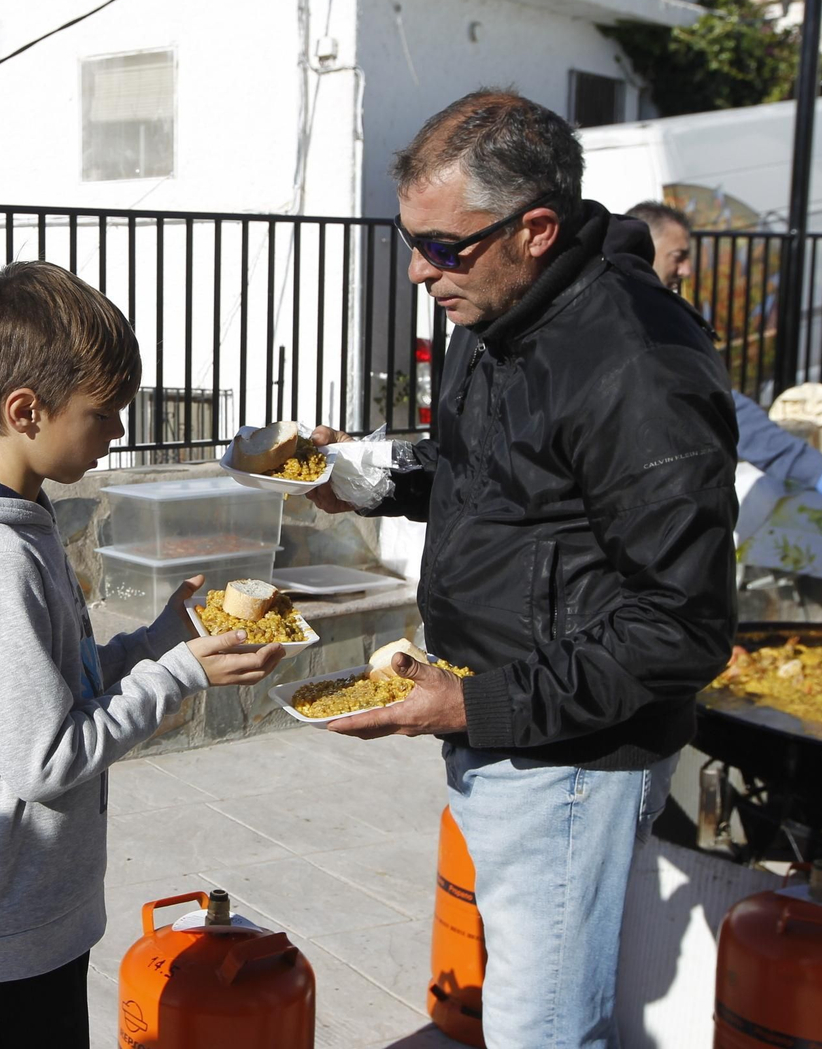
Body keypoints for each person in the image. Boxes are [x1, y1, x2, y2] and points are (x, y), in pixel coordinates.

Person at [309, 91, 737, 1048]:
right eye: (409, 239)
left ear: (536, 229)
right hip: (510, 721)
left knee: (541, 1030)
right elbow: (492, 471)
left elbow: (683, 625)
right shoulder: (497, 308)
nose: (419, 270)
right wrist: (368, 479)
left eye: (443, 246)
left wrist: (474, 705)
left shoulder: (640, 366)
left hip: (574, 756)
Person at [0, 260, 284, 1049]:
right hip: (5, 928)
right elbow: (48, 756)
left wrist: (162, 639)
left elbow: (63, 687)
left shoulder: (23, 519)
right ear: (26, 410)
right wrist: (182, 673)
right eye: (103, 413)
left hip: (34, 910)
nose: (117, 432)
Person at [628, 199, 822, 494]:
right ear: (641, 249)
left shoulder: (644, 312)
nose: (687, 270)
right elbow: (717, 403)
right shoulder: (639, 323)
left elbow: (717, 401)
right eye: (678, 256)